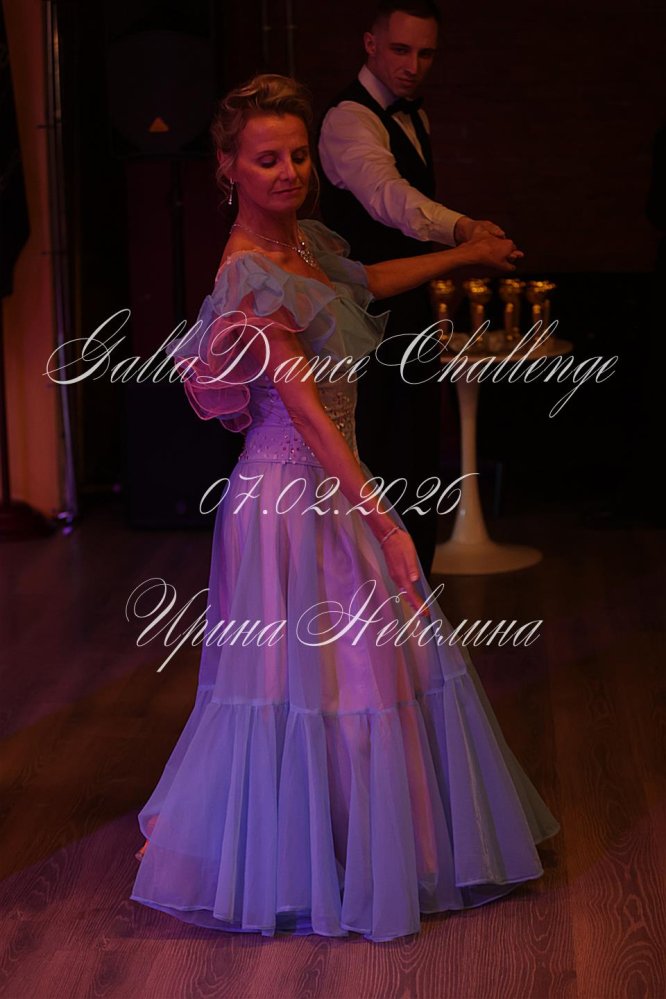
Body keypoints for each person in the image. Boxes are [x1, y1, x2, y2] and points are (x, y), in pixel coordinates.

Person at [130, 73, 559, 943]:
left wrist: (460, 256)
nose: (288, 171)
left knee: (363, 673)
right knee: (316, 681)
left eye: (296, 155)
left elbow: (365, 277)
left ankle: (364, 846)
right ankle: (306, 860)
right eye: (266, 159)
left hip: (335, 480)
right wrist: (387, 520)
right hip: (291, 497)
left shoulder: (299, 242)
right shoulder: (248, 272)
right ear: (227, 167)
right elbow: (304, 411)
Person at [318, 0, 508, 574]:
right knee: (379, 469)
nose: (413, 66)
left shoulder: (414, 118)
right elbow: (389, 197)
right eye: (401, 50)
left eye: (426, 54)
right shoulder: (347, 119)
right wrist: (463, 230)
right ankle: (379, 609)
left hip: (410, 312)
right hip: (362, 320)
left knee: (417, 463)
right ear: (370, 44)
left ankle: (415, 608)